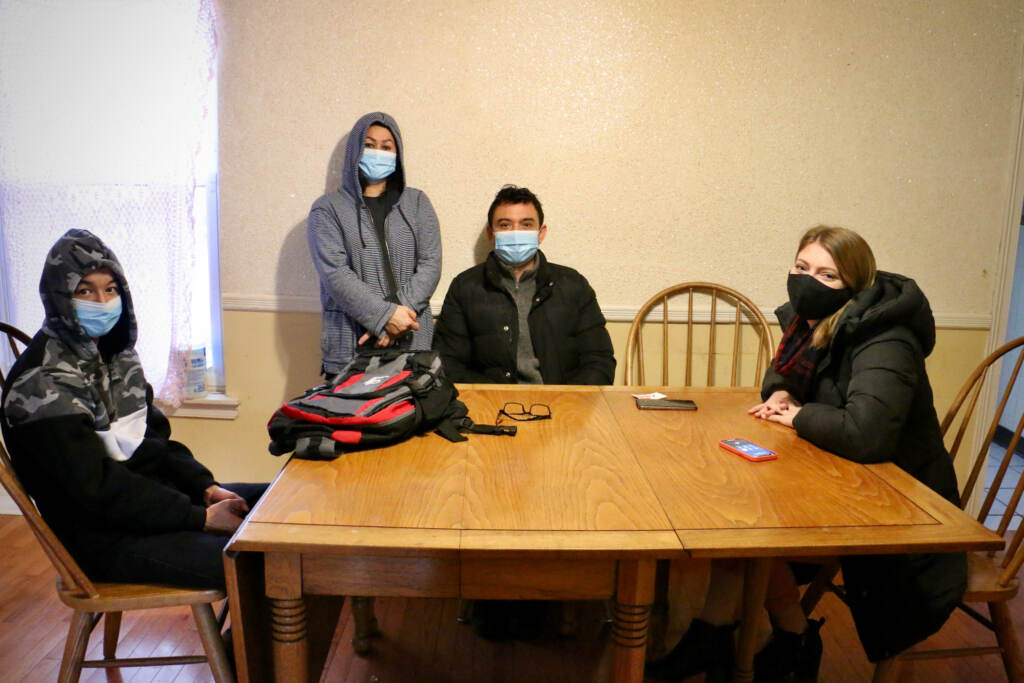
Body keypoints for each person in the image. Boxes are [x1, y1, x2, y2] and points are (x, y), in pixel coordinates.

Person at [647, 226, 966, 681]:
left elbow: (866, 433)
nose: (808, 281)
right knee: (738, 514)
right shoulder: (810, 323)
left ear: (854, 286)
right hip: (841, 475)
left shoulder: (887, 339)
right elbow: (782, 374)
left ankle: (743, 640)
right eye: (801, 268)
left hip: (900, 505)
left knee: (749, 526)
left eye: (827, 275)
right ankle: (760, 639)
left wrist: (797, 417)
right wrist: (780, 395)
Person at [1, 229, 266, 590]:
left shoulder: (116, 356)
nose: (102, 300)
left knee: (275, 505)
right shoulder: (41, 383)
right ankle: (252, 647)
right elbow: (96, 490)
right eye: (85, 290)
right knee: (264, 556)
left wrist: (205, 488)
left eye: (110, 288)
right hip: (103, 538)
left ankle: (255, 644)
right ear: (60, 297)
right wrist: (199, 517)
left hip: (150, 508)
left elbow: (156, 442)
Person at [433, 184, 615, 385]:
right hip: (491, 406)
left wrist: (568, 403)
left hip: (562, 405)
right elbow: (448, 363)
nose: (516, 232)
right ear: (490, 233)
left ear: (541, 232)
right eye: (505, 225)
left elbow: (599, 361)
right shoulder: (465, 287)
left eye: (526, 225)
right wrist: (492, 400)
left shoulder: (573, 284)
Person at [308, 111, 442, 378]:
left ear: (398, 153)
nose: (377, 152)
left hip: (412, 344)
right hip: (351, 348)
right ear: (355, 151)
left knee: (412, 417)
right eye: (369, 145)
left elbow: (431, 264)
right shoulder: (326, 210)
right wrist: (385, 317)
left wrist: (396, 319)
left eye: (386, 147)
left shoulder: (417, 203)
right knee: (353, 418)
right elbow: (335, 275)